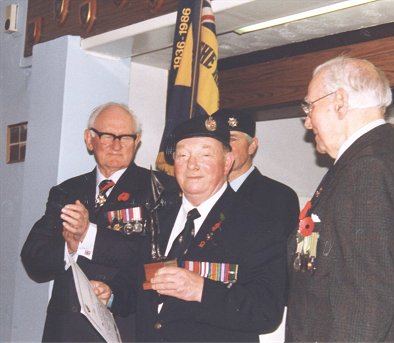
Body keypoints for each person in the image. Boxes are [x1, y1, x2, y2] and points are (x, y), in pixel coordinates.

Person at [94, 113, 287, 342]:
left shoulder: (258, 225)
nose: (192, 165)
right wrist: (112, 295)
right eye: (183, 155)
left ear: (226, 162)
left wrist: (201, 290)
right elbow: (139, 283)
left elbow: (266, 311)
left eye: (205, 154)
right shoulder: (158, 216)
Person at [286, 56, 394, 342]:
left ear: (339, 101)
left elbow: (365, 297)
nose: (307, 121)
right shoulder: (384, 154)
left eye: (310, 106)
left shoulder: (367, 167)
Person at [21, 102, 177, 342]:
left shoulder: (160, 190)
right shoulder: (66, 191)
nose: (116, 145)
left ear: (137, 141)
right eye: (107, 136)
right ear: (89, 139)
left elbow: (156, 259)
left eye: (125, 137)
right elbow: (33, 260)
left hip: (123, 326)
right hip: (66, 330)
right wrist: (70, 247)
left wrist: (89, 235)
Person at [214, 108, 300, 239]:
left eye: (232, 139)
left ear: (252, 146)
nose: (223, 146)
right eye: (217, 140)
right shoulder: (200, 192)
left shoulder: (278, 197)